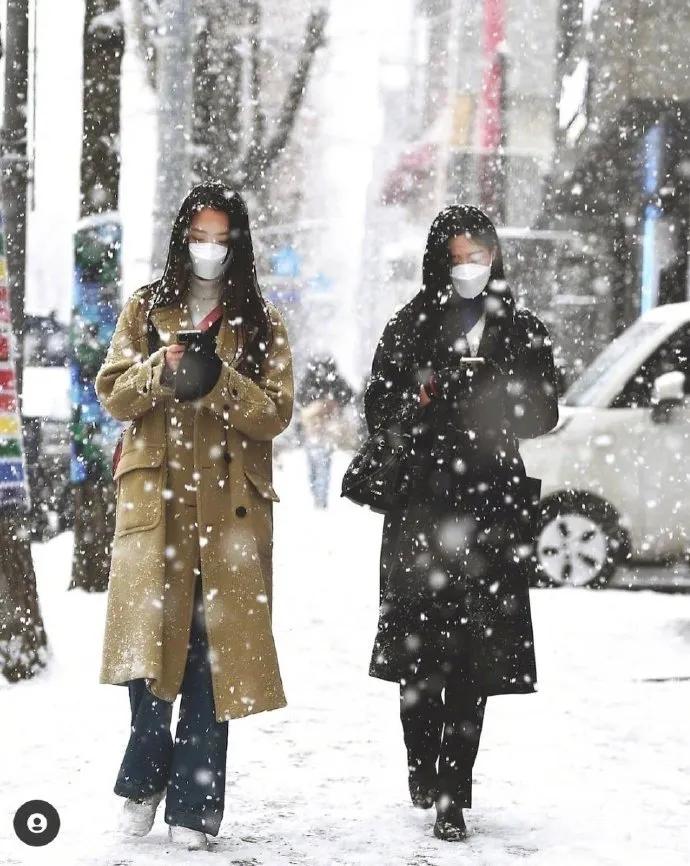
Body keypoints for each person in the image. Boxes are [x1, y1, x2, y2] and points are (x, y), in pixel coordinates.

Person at [95, 180, 293, 850]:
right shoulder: (147, 308)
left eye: (221, 238)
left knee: (213, 661)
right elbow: (116, 396)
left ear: (237, 244)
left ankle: (195, 805)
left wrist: (220, 382)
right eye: (199, 236)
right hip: (158, 504)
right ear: (184, 238)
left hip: (230, 513)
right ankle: (144, 778)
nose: (209, 250)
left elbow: (275, 414)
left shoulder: (263, 323)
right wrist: (162, 366)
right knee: (149, 650)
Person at [363, 204, 559, 842]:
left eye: (481, 254)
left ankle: (454, 789)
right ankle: (422, 764)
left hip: (490, 505)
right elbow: (378, 404)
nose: (470, 266)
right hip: (421, 503)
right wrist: (419, 397)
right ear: (439, 259)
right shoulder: (410, 325)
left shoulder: (520, 327)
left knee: (474, 654)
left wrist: (495, 394)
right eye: (458, 254)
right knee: (419, 653)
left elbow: (543, 411)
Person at [297, 355, 354, 508]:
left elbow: (299, 399)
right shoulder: (333, 380)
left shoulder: (312, 380)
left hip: (319, 430)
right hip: (319, 429)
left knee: (318, 464)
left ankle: (319, 496)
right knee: (320, 464)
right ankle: (319, 496)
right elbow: (348, 394)